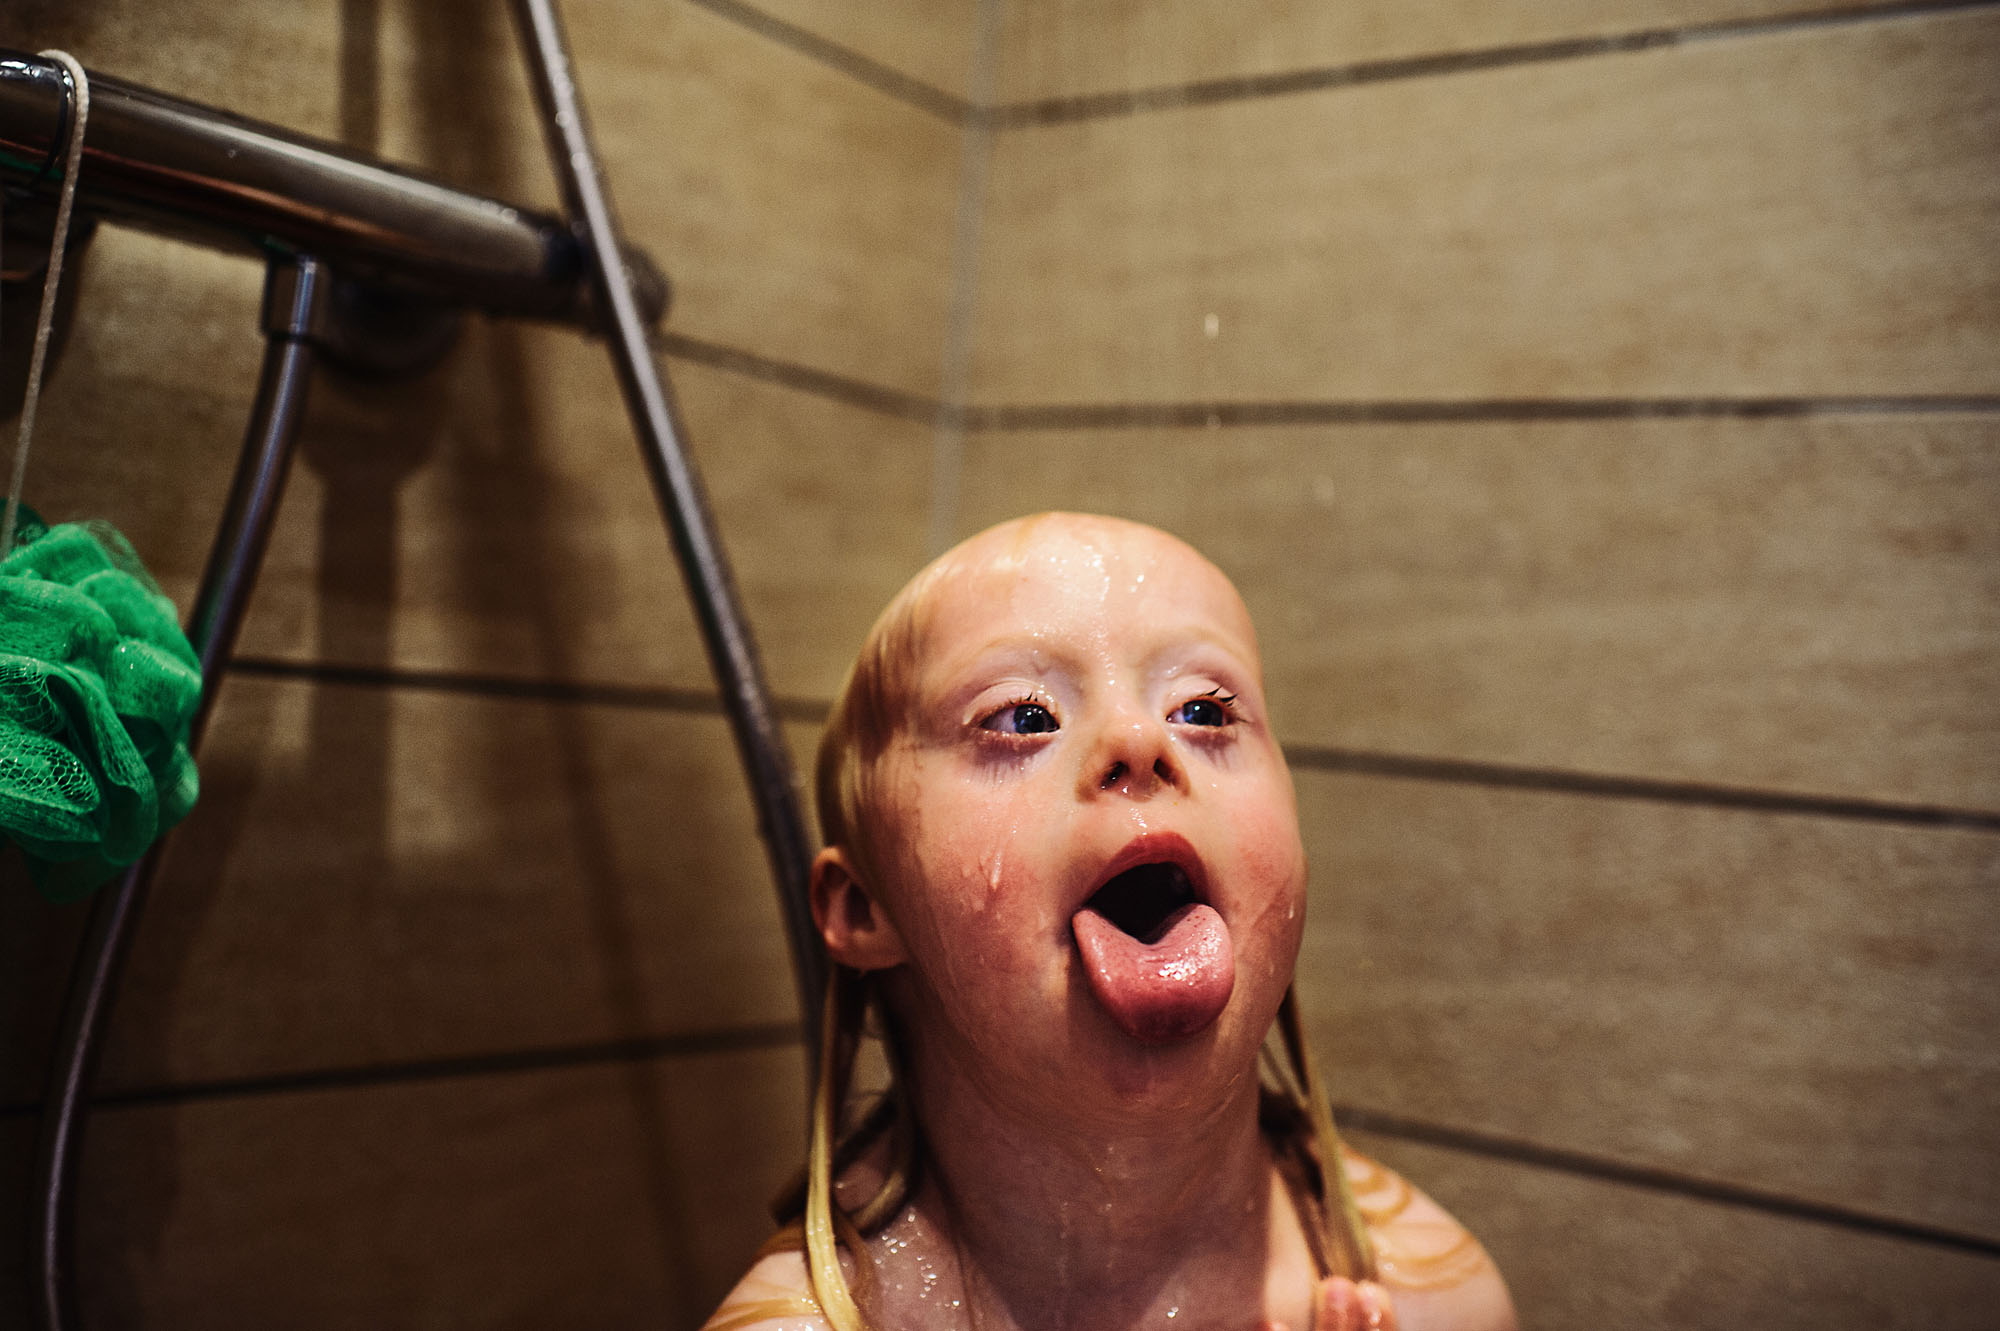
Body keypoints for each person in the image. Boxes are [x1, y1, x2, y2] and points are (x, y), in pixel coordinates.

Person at [704, 513, 1516, 1331]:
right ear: (862, 906)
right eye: (1023, 718)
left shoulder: (1434, 1299)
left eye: (1204, 710)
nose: (1138, 737)